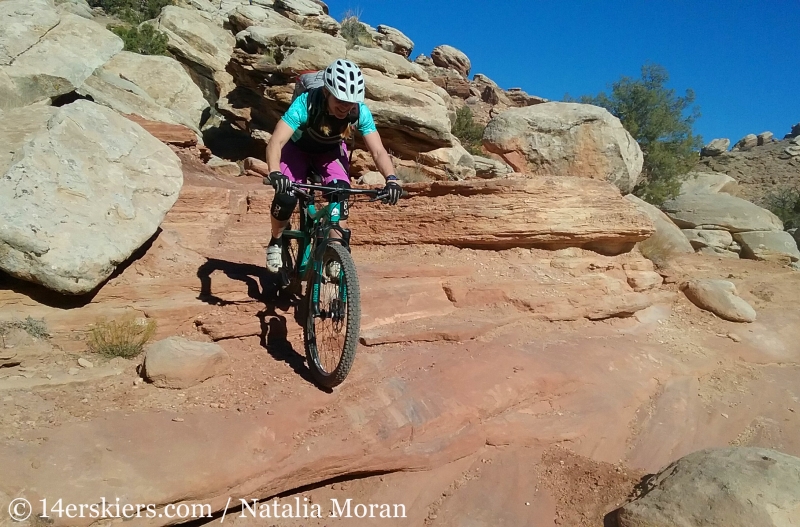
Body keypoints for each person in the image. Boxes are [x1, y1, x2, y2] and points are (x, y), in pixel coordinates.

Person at [264, 58, 402, 273]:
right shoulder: (305, 103)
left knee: (341, 194)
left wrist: (391, 179)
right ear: (327, 92)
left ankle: (335, 253)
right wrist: (274, 171)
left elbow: (378, 151)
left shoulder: (360, 112)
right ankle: (276, 240)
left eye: (350, 102)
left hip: (329, 154)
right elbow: (277, 141)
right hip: (297, 149)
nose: (345, 107)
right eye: (340, 100)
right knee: (287, 195)